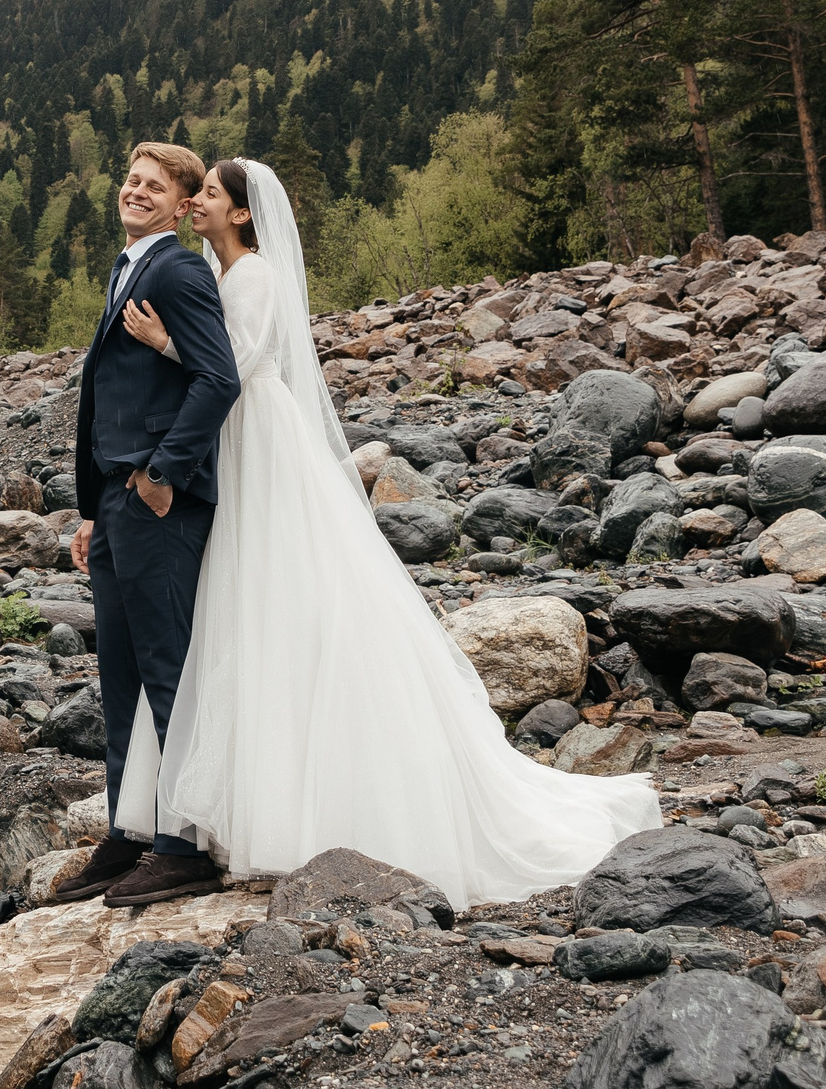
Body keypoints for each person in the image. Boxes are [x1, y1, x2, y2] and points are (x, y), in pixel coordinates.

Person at [113, 158, 660, 907]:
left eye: (209, 193)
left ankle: (274, 798)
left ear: (242, 214)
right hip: (239, 440)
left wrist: (164, 345)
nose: (197, 202)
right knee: (246, 601)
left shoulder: (253, 277)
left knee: (264, 587)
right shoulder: (218, 270)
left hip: (257, 443)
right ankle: (244, 790)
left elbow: (231, 367)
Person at [49, 142, 241, 910]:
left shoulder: (178, 269)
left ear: (182, 204)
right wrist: (94, 510)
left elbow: (217, 377)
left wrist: (163, 475)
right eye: (132, 180)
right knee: (121, 674)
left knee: (168, 668)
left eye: (154, 187)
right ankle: (130, 833)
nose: (135, 191)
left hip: (159, 500)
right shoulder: (127, 267)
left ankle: (185, 843)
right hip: (118, 503)